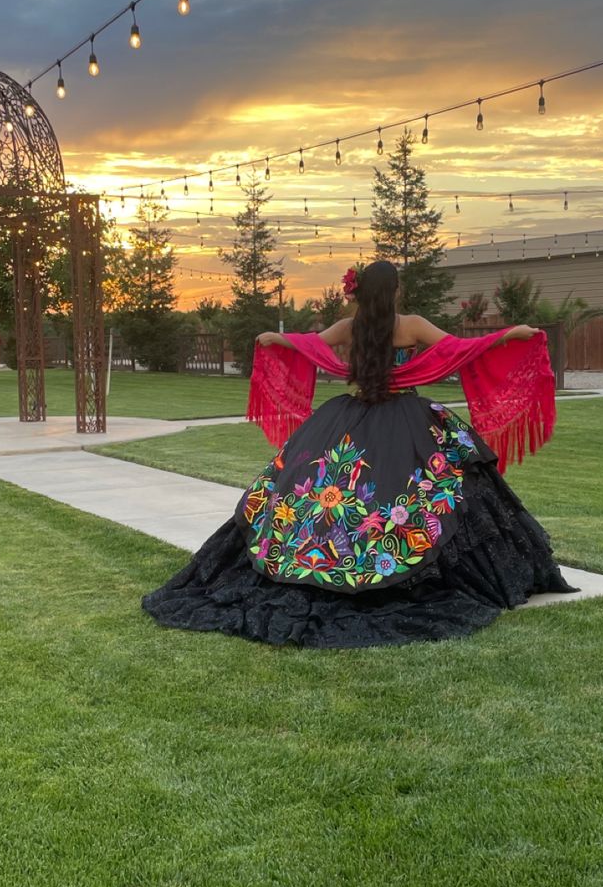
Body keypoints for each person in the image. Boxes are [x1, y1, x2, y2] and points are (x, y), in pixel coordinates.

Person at [142, 260, 576, 647]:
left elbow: (309, 345)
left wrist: (275, 338)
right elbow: (462, 350)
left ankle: (323, 560)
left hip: (349, 418)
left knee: (322, 490)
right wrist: (513, 335)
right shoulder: (411, 325)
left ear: (362, 292)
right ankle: (397, 567)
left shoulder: (350, 327)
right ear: (394, 292)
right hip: (408, 417)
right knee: (430, 491)